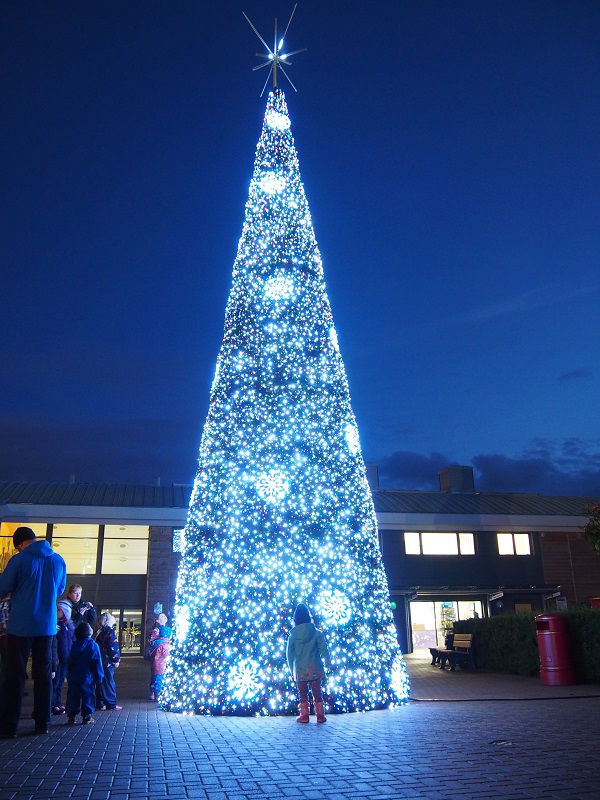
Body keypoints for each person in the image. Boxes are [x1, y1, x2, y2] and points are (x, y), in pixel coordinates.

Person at [0, 526, 66, 738]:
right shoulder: (58, 560)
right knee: (44, 675)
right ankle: (42, 722)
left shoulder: (19, 561)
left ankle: (10, 726)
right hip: (47, 626)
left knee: (15, 676)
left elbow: (3, 587)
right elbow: (59, 589)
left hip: (20, 626)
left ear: (19, 544)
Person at [286, 602, 332, 724]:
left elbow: (289, 654)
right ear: (308, 617)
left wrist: (291, 668)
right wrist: (327, 662)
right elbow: (323, 649)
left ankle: (304, 715)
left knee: (303, 693)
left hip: (300, 669)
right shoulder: (317, 633)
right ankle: (320, 715)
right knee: (317, 692)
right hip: (315, 667)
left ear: (295, 619)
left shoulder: (292, 636)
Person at [66, 622, 104, 725]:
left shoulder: (74, 645)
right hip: (88, 675)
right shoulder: (93, 645)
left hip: (74, 675)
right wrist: (99, 677)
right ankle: (87, 716)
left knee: (73, 695)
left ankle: (71, 716)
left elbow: (70, 661)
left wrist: (68, 674)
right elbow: (97, 662)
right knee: (88, 695)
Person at [51, 600, 75, 715]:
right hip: (59, 659)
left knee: (60, 682)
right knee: (55, 682)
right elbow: (55, 644)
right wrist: (55, 657)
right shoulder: (57, 625)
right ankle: (52, 704)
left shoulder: (67, 626)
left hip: (65, 659)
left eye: (59, 610)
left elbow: (70, 642)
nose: (57, 612)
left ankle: (57, 703)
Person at [94, 612, 121, 710]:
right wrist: (116, 659)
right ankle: (111, 703)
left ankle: (100, 703)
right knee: (109, 681)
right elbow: (112, 647)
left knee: (100, 681)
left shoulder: (100, 632)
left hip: (100, 660)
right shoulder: (110, 632)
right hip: (107, 661)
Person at [147, 612, 171, 701]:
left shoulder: (169, 629)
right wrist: (161, 643)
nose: (164, 617)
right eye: (162, 616)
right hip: (158, 653)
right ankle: (155, 691)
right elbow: (151, 641)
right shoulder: (156, 630)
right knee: (157, 671)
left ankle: (160, 690)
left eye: (165, 616)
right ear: (157, 620)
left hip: (166, 652)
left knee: (164, 671)